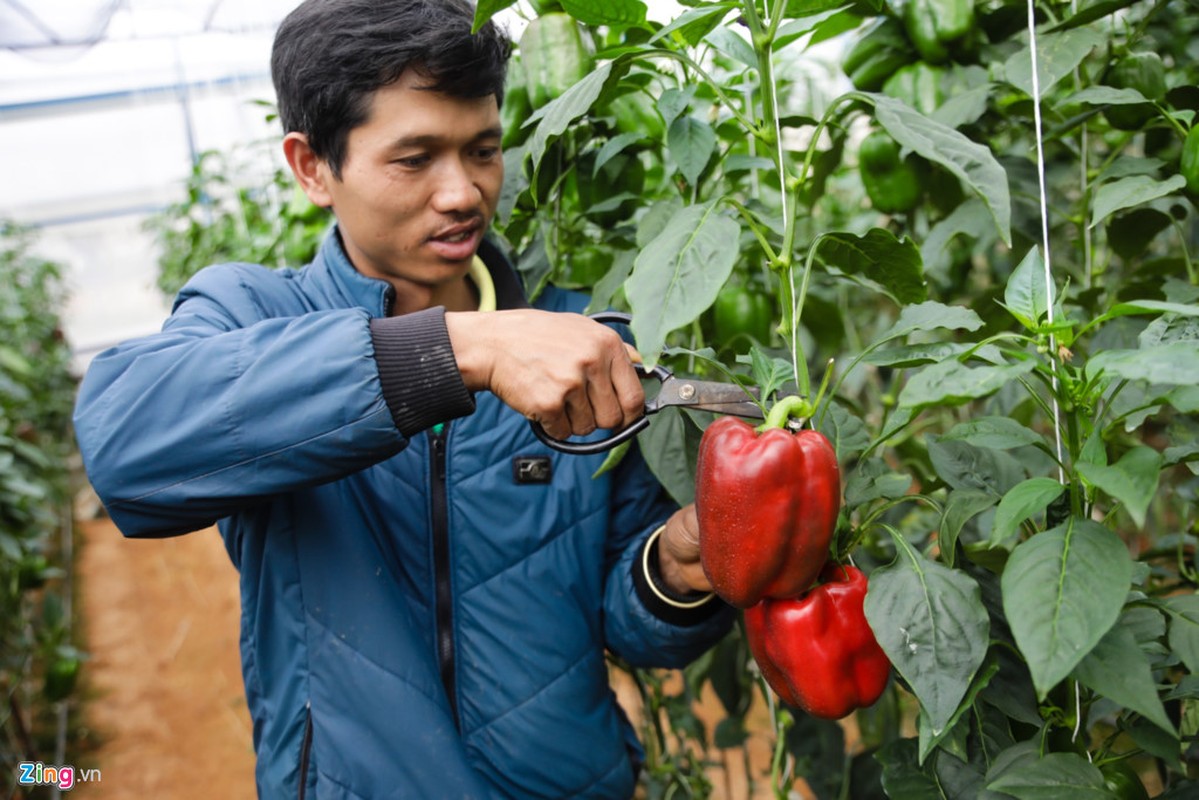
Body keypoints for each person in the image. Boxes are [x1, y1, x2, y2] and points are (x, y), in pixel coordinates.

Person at [72, 0, 734, 797]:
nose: (462, 193)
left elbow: (626, 622)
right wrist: (464, 351)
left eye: (482, 150)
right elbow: (123, 445)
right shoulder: (252, 316)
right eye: (413, 158)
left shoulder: (571, 340)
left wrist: (674, 570)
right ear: (311, 166)